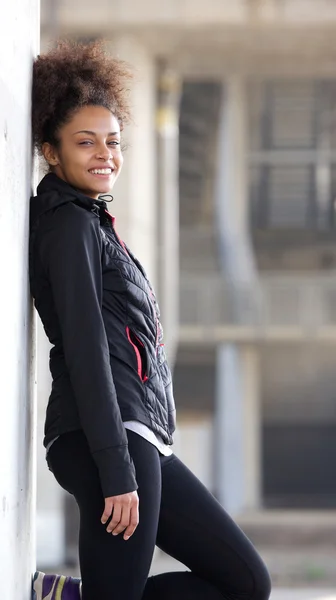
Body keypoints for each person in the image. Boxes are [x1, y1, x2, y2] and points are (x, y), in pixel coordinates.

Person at [29, 40, 271, 600]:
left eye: (112, 142)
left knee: (244, 582)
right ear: (51, 151)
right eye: (84, 142)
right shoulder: (69, 226)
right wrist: (116, 470)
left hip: (141, 434)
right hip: (104, 436)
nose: (104, 155)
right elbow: (87, 348)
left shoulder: (93, 223)